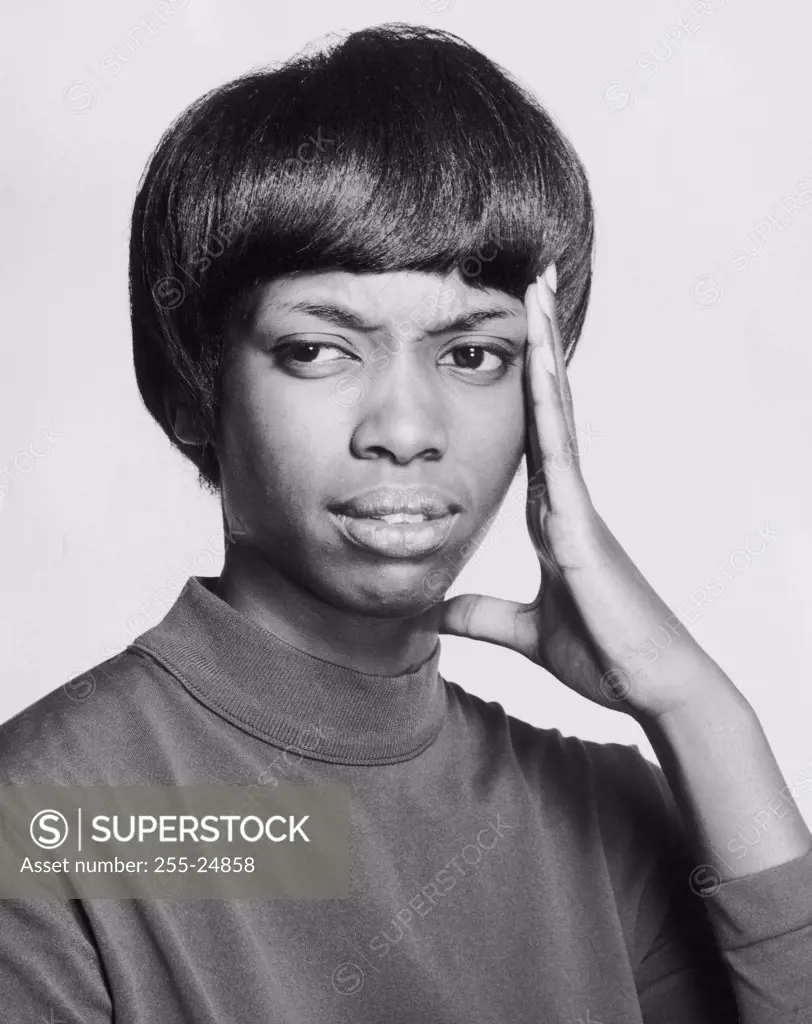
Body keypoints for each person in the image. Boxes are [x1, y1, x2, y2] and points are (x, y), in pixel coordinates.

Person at [1, 22, 810, 1023]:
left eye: (471, 354)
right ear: (189, 388)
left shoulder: (612, 813)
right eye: (317, 349)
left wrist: (695, 706)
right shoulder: (56, 817)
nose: (404, 428)